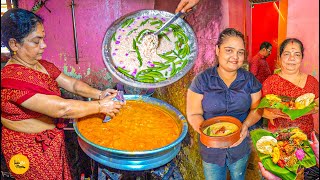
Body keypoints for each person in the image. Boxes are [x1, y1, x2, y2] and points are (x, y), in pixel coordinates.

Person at [1, 8, 124, 179]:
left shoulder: (40, 65)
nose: (43, 45)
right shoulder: (12, 80)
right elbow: (62, 109)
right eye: (36, 41)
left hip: (51, 142)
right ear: (14, 44)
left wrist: (100, 94)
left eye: (43, 39)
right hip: (28, 150)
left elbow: (72, 84)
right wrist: (100, 106)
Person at [186, 28, 262, 180]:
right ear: (217, 50)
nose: (235, 57)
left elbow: (257, 110)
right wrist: (210, 135)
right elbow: (194, 113)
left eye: (240, 52)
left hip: (240, 144)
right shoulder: (202, 80)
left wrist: (245, 125)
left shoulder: (250, 80)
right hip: (211, 149)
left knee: (238, 177)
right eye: (229, 50)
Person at [262, 38, 319, 139]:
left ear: (302, 58)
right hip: (278, 137)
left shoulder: (312, 82)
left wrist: (309, 110)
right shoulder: (269, 82)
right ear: (280, 57)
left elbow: (318, 106)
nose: (291, 58)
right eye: (287, 54)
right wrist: (266, 114)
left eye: (297, 54)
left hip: (305, 137)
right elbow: (259, 110)